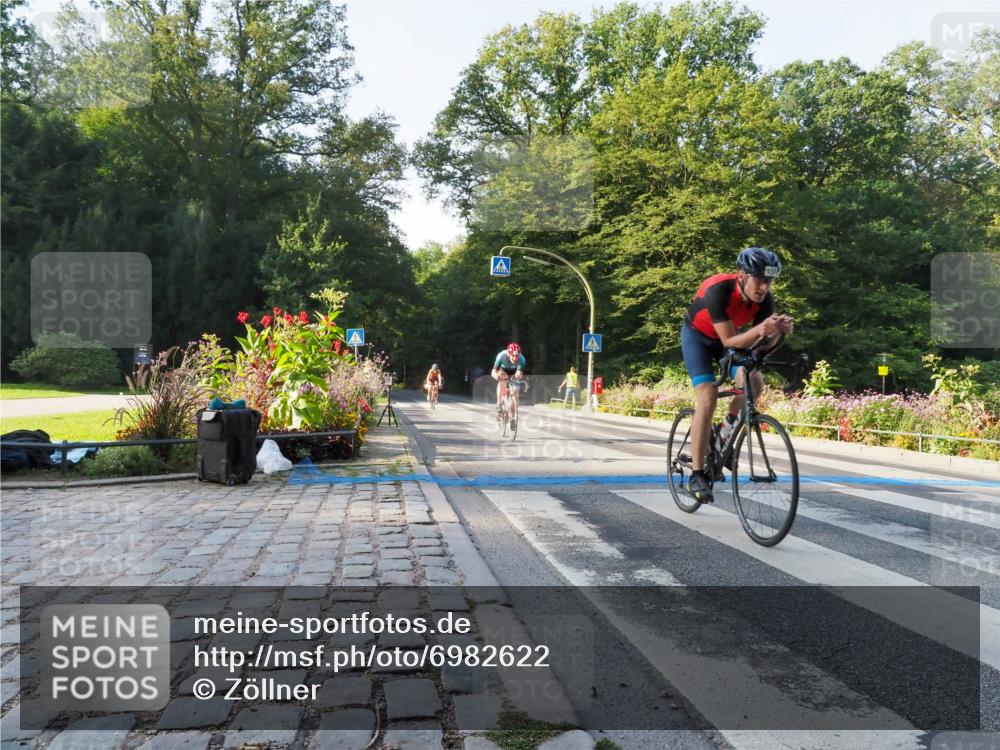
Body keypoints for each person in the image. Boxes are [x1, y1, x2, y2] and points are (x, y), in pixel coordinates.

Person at [681, 247, 795, 503]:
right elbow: (730, 340)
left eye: (769, 281)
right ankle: (697, 475)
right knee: (708, 395)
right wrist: (760, 331)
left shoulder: (765, 300)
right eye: (759, 279)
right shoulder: (718, 290)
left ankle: (724, 434)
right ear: (742, 275)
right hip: (699, 339)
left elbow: (759, 346)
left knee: (753, 381)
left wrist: (779, 333)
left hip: (731, 341)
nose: (764, 287)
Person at [492, 343, 526, 424]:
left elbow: (519, 373)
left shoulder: (522, 359)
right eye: (513, 356)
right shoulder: (501, 356)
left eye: (517, 356)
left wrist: (518, 377)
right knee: (502, 379)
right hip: (503, 370)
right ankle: (499, 403)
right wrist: (497, 376)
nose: (515, 358)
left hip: (514, 372)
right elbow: (493, 371)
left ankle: (513, 417)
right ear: (508, 354)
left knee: (516, 390)